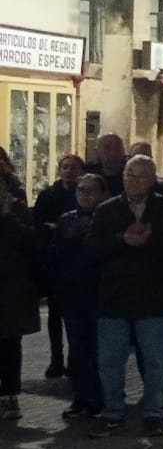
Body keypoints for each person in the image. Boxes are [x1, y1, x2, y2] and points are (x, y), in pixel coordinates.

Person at [47, 172, 107, 419]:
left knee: (99, 351)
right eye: (81, 190)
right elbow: (54, 255)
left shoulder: (108, 218)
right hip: (73, 295)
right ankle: (82, 397)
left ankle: (101, 397)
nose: (85, 195)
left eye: (90, 190)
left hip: (100, 294)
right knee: (79, 350)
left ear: (102, 194)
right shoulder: (66, 220)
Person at [32, 151, 85, 380]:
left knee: (76, 315)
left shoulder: (85, 194)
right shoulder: (48, 195)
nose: (69, 171)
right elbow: (39, 226)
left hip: (79, 262)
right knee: (55, 314)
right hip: (56, 262)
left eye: (74, 167)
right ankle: (56, 359)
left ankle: (75, 361)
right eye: (65, 167)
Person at [0, 165, 45, 424]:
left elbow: (30, 241)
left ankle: (9, 394)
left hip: (10, 287)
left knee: (8, 343)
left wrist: (7, 217)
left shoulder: (17, 209)